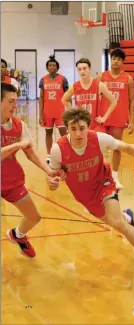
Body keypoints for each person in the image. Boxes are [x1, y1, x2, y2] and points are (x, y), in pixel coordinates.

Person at [47, 108, 134, 282]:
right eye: (73, 129)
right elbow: (54, 173)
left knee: (117, 223)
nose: (78, 133)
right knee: (116, 221)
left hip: (103, 183)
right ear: (67, 128)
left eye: (82, 128)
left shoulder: (99, 139)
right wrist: (52, 182)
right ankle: (127, 218)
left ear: (88, 126)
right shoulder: (58, 149)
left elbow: (126, 147)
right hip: (85, 196)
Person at [1, 83, 64, 258]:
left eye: (16, 101)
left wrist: (50, 171)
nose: (16, 105)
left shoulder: (19, 125)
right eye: (11, 101)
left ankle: (17, 235)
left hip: (11, 181)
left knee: (34, 217)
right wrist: (17, 145)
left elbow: (30, 153)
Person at [97, 48, 134, 188]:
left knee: (117, 147)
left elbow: (132, 100)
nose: (116, 61)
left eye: (119, 59)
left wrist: (132, 121)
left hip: (119, 118)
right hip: (103, 117)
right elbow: (94, 95)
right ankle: (100, 176)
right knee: (99, 148)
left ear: (122, 62)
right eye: (114, 58)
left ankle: (114, 177)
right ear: (110, 60)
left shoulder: (128, 78)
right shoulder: (102, 77)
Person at [61, 58, 117, 132]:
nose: (82, 71)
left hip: (96, 125)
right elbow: (64, 99)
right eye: (79, 69)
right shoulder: (75, 86)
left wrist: (104, 118)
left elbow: (113, 102)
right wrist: (74, 112)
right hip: (81, 124)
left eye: (84, 68)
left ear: (90, 69)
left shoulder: (99, 85)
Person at [39, 55, 69, 164]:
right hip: (47, 111)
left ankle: (66, 152)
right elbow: (41, 98)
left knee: (63, 133)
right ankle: (49, 154)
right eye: (50, 65)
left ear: (57, 67)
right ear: (47, 67)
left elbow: (68, 96)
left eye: (54, 65)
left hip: (60, 111)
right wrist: (40, 114)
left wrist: (69, 111)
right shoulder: (43, 80)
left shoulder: (63, 79)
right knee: (48, 133)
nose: (52, 67)